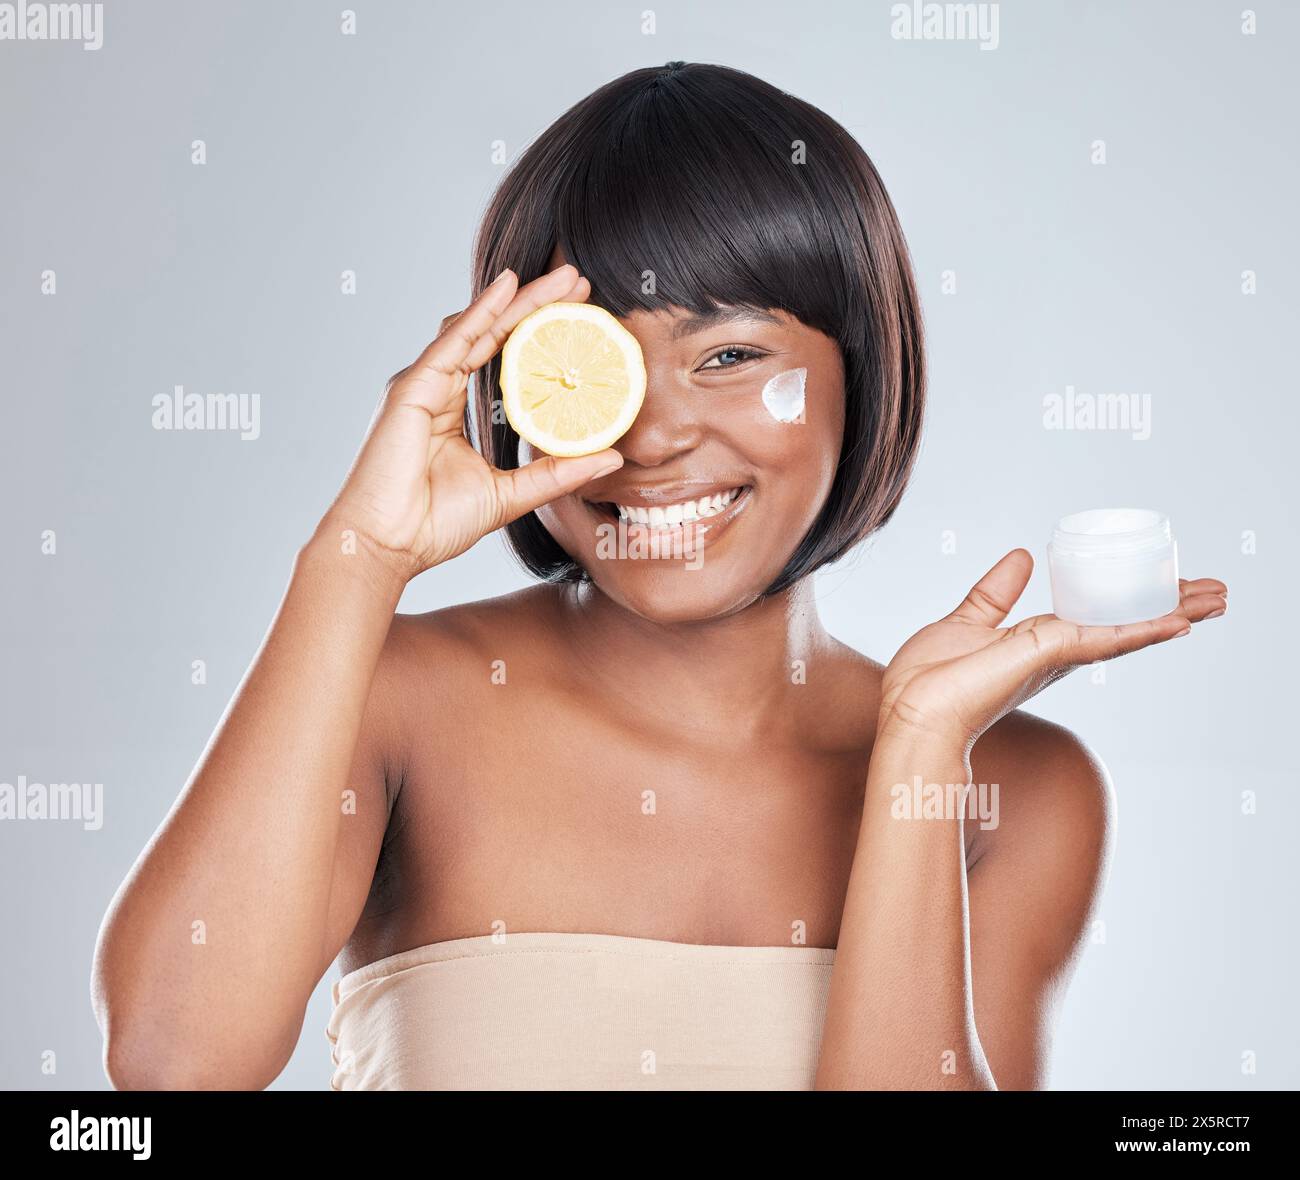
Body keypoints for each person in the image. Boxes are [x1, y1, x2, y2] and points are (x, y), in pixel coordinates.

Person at [91, 61, 1227, 1091]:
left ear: (862, 372)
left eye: (729, 354)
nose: (649, 438)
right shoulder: (400, 699)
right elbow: (169, 1068)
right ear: (506, 392)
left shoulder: (1014, 788)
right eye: (590, 367)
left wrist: (918, 754)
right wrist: (358, 558)